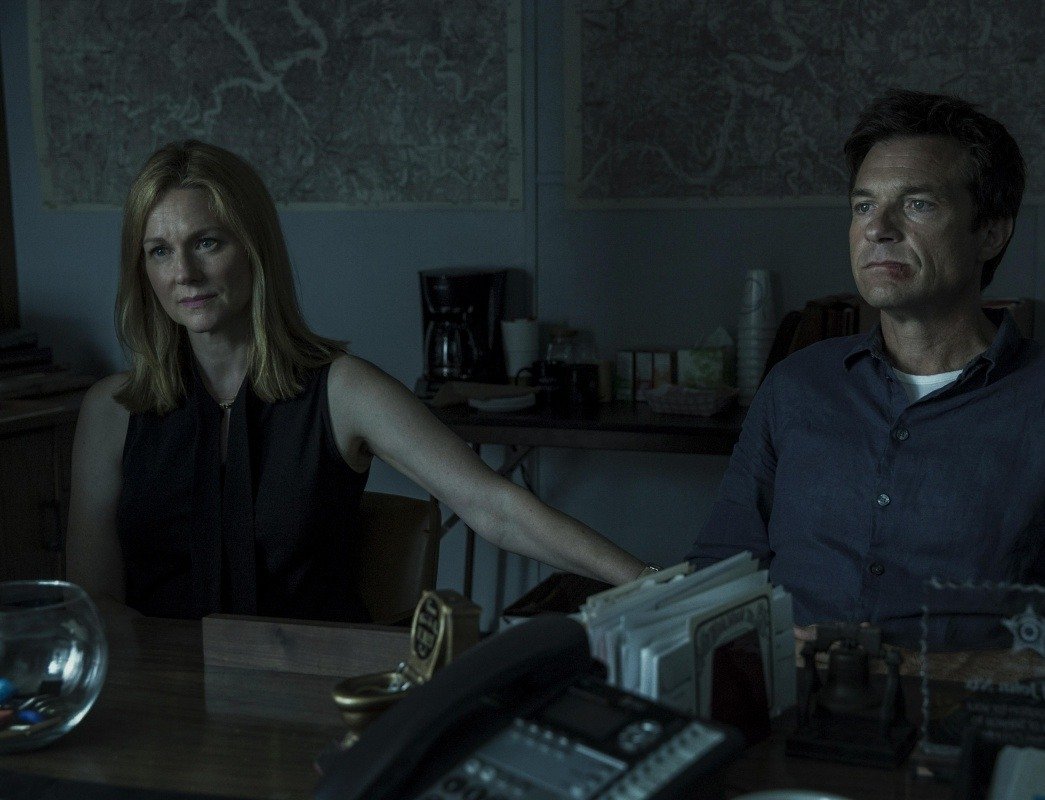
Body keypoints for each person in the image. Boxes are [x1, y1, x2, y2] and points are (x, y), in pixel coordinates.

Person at [67, 139, 647, 622]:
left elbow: (493, 505)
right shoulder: (110, 411)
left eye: (207, 242)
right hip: (166, 701)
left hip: (318, 692)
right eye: (159, 251)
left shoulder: (342, 390)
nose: (184, 273)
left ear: (253, 248)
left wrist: (653, 583)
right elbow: (96, 602)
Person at [687, 90, 1043, 653]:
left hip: (961, 702)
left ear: (991, 232)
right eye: (863, 206)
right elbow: (721, 569)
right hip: (792, 697)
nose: (878, 229)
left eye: (917, 204)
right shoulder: (797, 386)